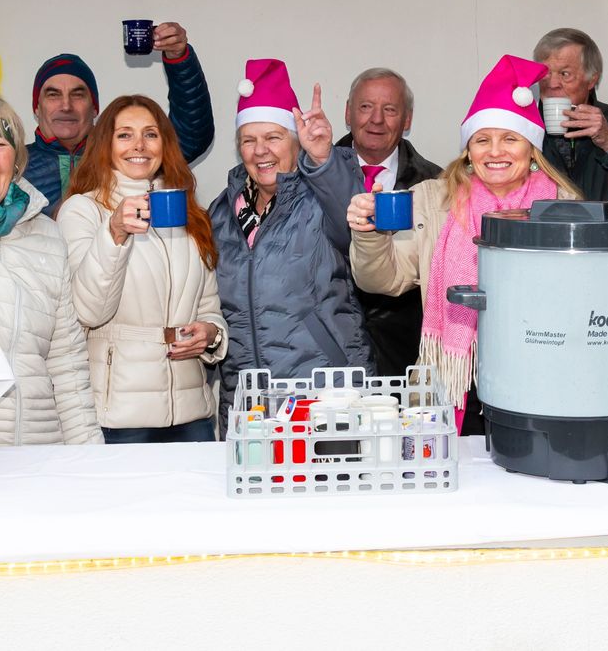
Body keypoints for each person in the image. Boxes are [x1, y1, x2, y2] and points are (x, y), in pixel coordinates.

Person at [347, 55, 579, 435]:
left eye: (510, 139)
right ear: (469, 150)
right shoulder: (431, 199)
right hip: (454, 383)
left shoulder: (563, 207)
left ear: (532, 149)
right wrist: (369, 233)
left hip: (540, 378)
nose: (495, 151)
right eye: (482, 140)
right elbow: (383, 281)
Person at [209, 59, 374, 431]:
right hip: (247, 403)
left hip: (324, 395)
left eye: (273, 137)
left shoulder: (323, 195)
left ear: (295, 141)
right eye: (248, 140)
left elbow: (357, 222)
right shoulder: (221, 212)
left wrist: (322, 158)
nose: (260, 150)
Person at [57, 95, 226, 443]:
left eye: (150, 134)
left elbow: (209, 304)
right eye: (124, 135)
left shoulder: (190, 213)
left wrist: (211, 333)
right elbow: (88, 311)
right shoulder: (83, 211)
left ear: (165, 144)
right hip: (119, 416)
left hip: (192, 411)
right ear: (105, 143)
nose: (139, 145)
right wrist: (114, 233)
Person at [0, 89, 102, 445]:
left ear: (17, 157)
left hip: (39, 456)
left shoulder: (47, 235)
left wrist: (89, 457)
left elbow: (67, 364)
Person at [25, 22, 215, 217]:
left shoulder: (123, 154)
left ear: (94, 108)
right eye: (53, 95)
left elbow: (192, 134)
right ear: (37, 108)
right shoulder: (16, 164)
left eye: (78, 94)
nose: (66, 106)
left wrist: (179, 58)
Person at [336, 67, 442, 377]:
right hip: (328, 353)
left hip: (406, 355)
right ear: (348, 112)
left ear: (407, 119)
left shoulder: (435, 185)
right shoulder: (315, 177)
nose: (377, 119)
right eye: (366, 107)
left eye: (390, 109)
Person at [533, 28, 608, 201]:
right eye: (545, 73)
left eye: (565, 74)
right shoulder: (523, 129)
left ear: (592, 80)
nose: (552, 84)